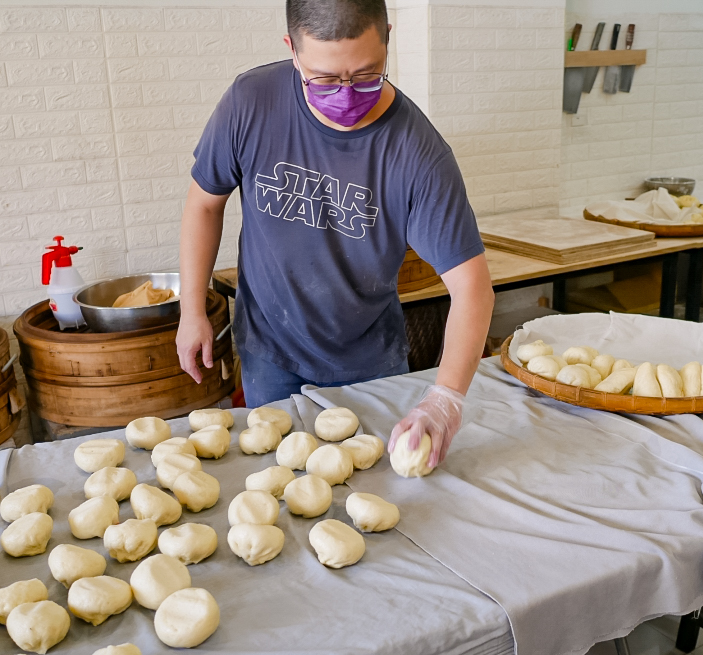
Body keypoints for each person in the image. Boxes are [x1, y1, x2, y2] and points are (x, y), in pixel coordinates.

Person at [176, 0, 494, 467]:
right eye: (324, 79)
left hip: (368, 360)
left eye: (367, 74)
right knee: (280, 484)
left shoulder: (417, 152)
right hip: (269, 346)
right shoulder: (252, 101)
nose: (346, 94)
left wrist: (445, 399)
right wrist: (191, 309)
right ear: (292, 50)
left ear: (387, 37)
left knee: (375, 485)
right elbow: (204, 203)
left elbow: (473, 289)